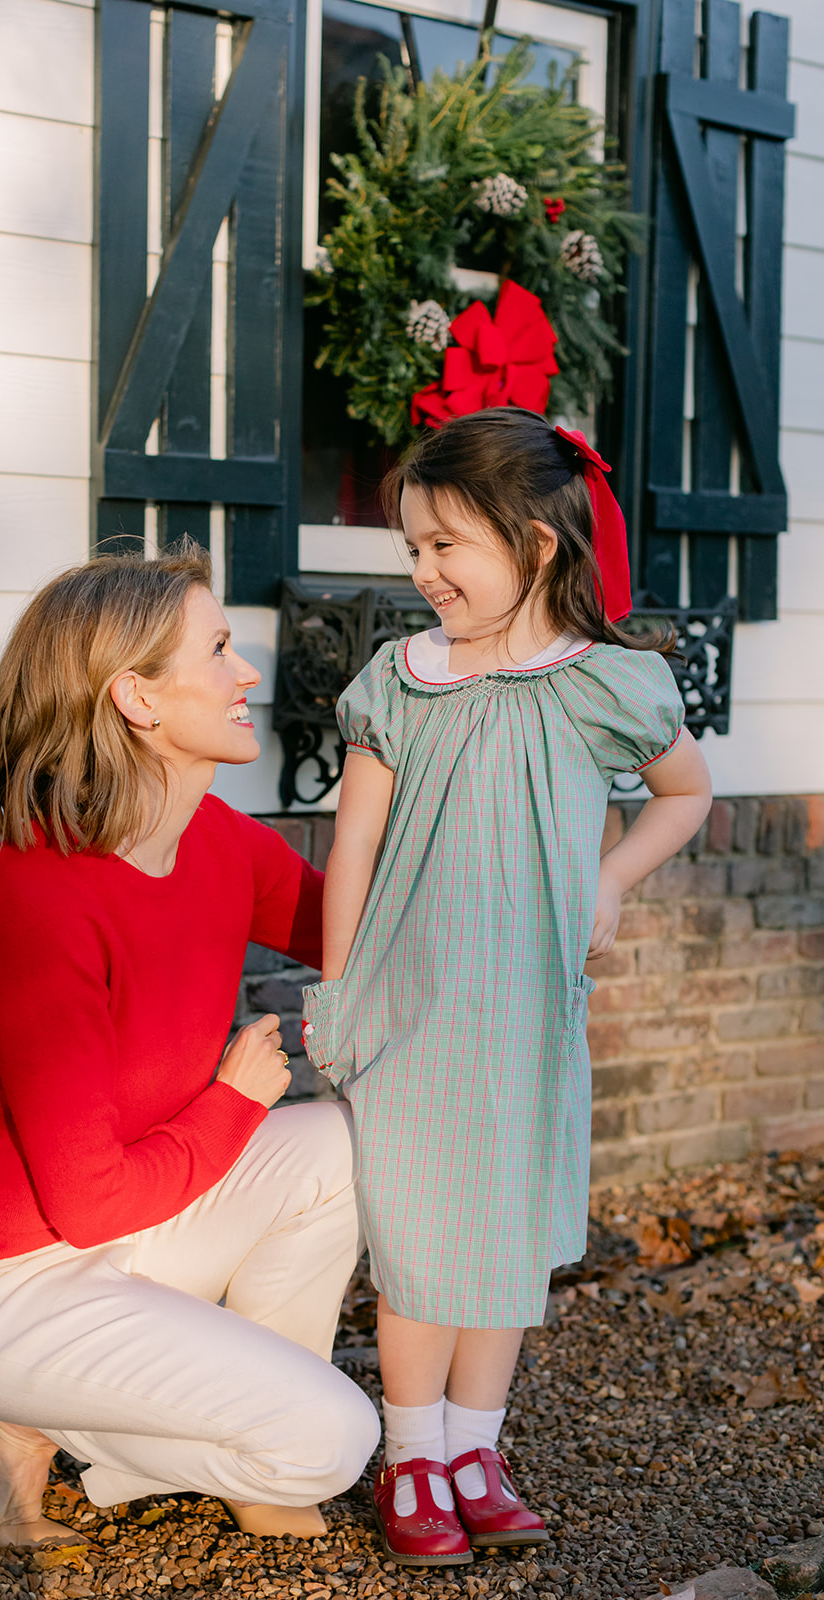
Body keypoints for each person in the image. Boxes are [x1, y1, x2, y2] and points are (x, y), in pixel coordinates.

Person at [0, 541, 380, 1551]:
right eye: (217, 649)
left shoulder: (215, 841)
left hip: (124, 1233)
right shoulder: (35, 902)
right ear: (137, 701)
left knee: (341, 1142)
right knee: (338, 1440)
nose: (247, 672)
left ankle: (241, 1412)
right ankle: (11, 1415)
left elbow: (360, 928)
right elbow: (87, 1200)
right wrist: (234, 1099)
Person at [301, 408, 713, 1568]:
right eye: (412, 550)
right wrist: (332, 992)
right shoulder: (400, 681)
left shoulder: (607, 688)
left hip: (526, 1012)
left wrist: (610, 876)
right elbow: (354, 853)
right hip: (409, 1006)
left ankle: (476, 1448)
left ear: (534, 545)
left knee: (502, 1240)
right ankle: (413, 1453)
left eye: (444, 546)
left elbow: (685, 796)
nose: (423, 571)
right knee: (420, 1240)